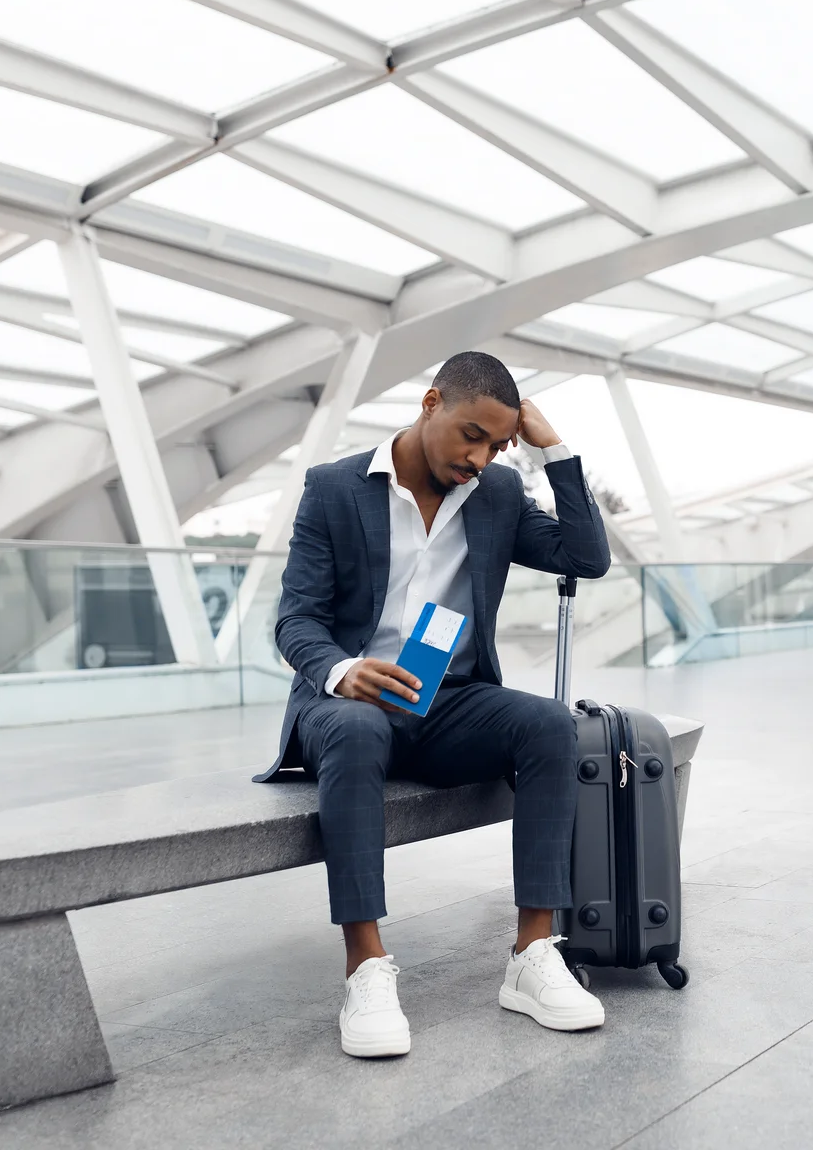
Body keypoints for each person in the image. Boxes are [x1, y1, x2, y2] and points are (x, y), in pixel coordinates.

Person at [255, 350, 612, 1058]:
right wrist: (342, 670)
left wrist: (553, 450)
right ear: (430, 404)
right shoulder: (333, 489)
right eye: (471, 435)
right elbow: (295, 620)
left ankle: (533, 955)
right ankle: (366, 966)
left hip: (449, 702)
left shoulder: (499, 494)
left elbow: (586, 556)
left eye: (498, 444)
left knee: (547, 722)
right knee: (356, 730)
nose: (480, 457)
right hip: (348, 704)